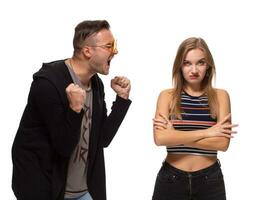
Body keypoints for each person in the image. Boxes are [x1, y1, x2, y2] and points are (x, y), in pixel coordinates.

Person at [11, 20, 131, 200]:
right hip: (45, 189)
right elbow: (63, 146)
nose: (115, 51)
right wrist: (75, 109)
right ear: (88, 51)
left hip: (82, 190)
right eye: (109, 46)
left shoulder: (96, 84)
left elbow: (102, 139)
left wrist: (122, 99)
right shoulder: (48, 83)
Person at [152, 37, 238, 200]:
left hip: (210, 181)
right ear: (179, 66)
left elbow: (222, 143)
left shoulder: (221, 96)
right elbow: (160, 138)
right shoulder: (167, 96)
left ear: (208, 66)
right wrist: (209, 132)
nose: (194, 70)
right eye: (187, 63)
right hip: (171, 179)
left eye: (200, 63)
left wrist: (176, 136)